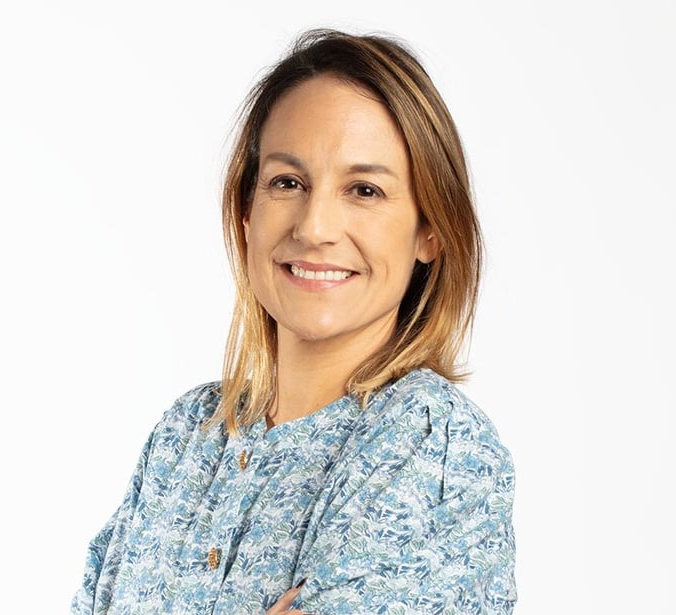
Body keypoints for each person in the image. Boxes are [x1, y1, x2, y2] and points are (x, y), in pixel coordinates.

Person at [71, 28, 516, 615]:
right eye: (288, 182)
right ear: (246, 211)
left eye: (364, 189)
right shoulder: (184, 439)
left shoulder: (432, 445)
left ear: (430, 230)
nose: (314, 227)